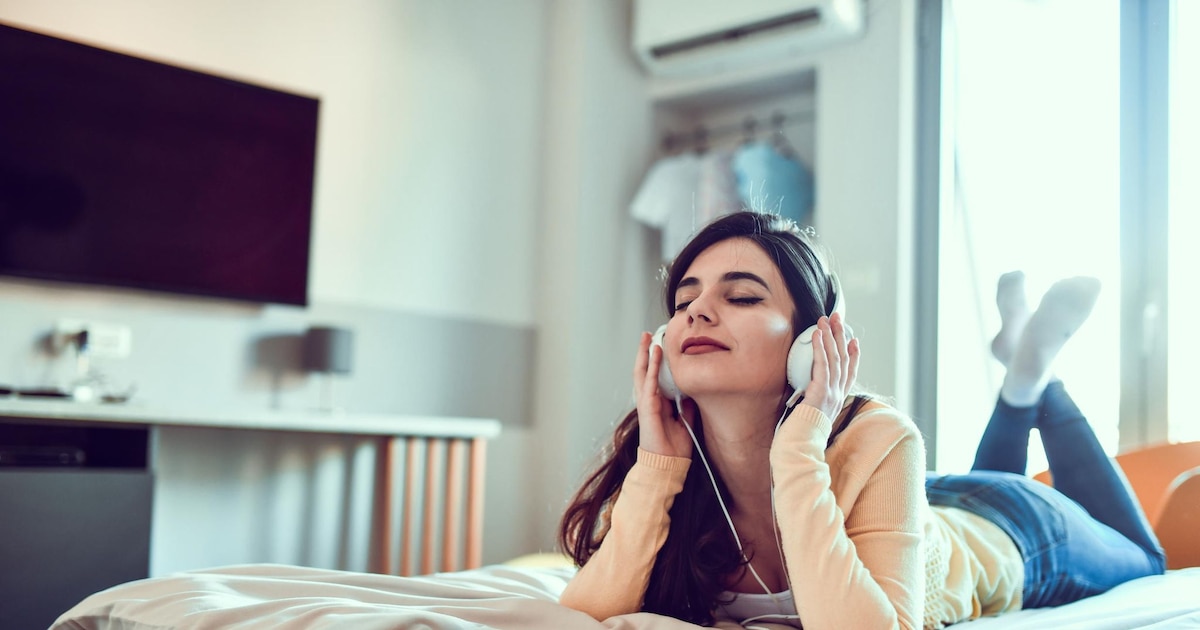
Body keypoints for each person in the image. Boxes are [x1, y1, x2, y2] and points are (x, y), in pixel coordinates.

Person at [556, 211, 1165, 629]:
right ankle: (1023, 369)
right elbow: (581, 615)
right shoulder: (664, 462)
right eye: (684, 301)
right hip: (920, 507)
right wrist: (659, 467)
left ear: (809, 345)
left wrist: (798, 450)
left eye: (741, 296)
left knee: (1148, 561)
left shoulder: (878, 433)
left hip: (1012, 532)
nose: (698, 313)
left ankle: (1037, 381)